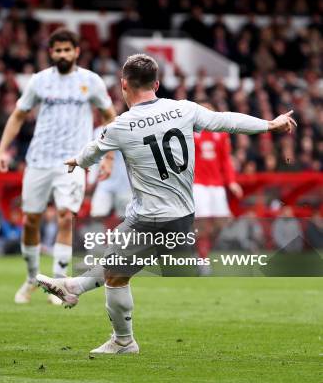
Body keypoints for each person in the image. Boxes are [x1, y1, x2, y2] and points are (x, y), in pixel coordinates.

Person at [36, 53, 296, 354]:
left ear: (123, 85)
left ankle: (122, 339)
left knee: (117, 276)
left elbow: (94, 151)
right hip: (182, 213)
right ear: (157, 83)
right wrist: (269, 124)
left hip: (152, 217)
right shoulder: (183, 109)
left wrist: (76, 161)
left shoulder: (121, 125)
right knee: (116, 260)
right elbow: (228, 121)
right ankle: (74, 288)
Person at [0, 28, 116, 305]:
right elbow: (18, 116)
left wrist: (108, 157)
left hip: (72, 162)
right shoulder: (39, 82)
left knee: (65, 216)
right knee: (31, 220)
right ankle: (31, 277)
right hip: (38, 160)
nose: (63, 54)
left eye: (67, 49)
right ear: (51, 53)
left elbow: (111, 118)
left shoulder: (91, 81)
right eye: (57, 50)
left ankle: (58, 282)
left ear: (76, 51)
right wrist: (2, 150)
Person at [192, 101, 244, 275]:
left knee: (221, 223)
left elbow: (225, 160)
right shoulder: (190, 132)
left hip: (217, 185)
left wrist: (232, 181)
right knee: (203, 222)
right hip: (198, 184)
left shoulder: (221, 134)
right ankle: (202, 259)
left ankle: (201, 251)